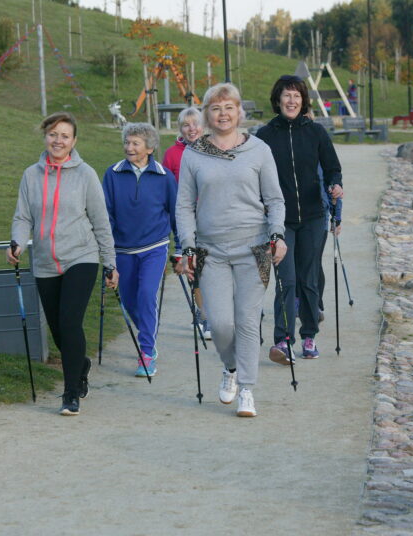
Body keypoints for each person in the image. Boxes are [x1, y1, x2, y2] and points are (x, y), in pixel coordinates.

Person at [176, 83, 287, 418]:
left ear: (240, 111)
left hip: (254, 247)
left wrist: (277, 234)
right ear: (207, 114)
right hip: (211, 249)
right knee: (221, 323)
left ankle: (248, 391)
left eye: (229, 107)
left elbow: (275, 199)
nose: (223, 114)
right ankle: (231, 368)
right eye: (215, 107)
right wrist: (188, 245)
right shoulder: (193, 153)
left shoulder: (259, 150)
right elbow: (183, 206)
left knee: (247, 319)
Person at [8, 111, 118, 417]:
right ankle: (80, 362)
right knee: (58, 329)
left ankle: (71, 393)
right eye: (53, 134)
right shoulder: (31, 174)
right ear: (45, 136)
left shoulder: (86, 175)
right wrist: (17, 241)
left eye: (64, 136)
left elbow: (100, 222)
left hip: (81, 257)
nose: (58, 140)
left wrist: (110, 264)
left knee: (70, 323)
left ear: (74, 141)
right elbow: (23, 217)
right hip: (44, 261)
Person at [257, 74, 343, 364]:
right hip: (280, 221)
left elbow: (333, 168)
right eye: (286, 95)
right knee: (287, 280)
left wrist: (335, 185)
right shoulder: (265, 135)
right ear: (278, 100)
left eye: (296, 95)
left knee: (308, 280)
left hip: (313, 217)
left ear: (303, 100)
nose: (291, 100)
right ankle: (282, 340)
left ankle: (309, 335)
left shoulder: (316, 132)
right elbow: (252, 173)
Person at [103, 123, 179, 378]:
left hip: (154, 246)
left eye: (135, 143)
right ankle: (146, 329)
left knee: (147, 294)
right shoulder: (112, 174)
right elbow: (107, 214)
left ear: (150, 147)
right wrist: (107, 251)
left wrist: (180, 246)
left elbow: (175, 212)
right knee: (129, 301)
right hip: (122, 249)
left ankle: (147, 350)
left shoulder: (164, 176)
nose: (129, 147)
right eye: (127, 142)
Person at [162, 107, 212, 340]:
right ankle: (203, 315)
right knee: (195, 267)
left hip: (212, 216)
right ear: (180, 128)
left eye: (196, 124)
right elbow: (167, 187)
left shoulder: (213, 148)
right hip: (185, 218)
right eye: (186, 125)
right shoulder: (172, 154)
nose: (192, 129)